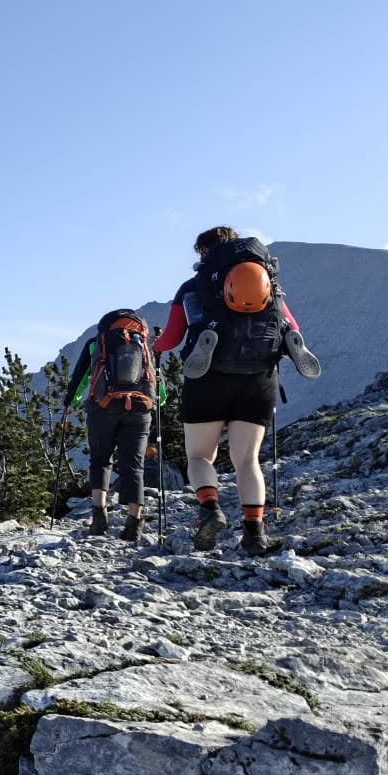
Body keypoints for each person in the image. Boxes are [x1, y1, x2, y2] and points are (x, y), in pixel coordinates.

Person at [154, 226, 321, 555]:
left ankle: (210, 509)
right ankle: (255, 534)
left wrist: (156, 346)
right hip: (259, 380)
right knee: (247, 460)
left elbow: (172, 339)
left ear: (205, 253)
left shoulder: (193, 287)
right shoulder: (269, 286)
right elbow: (293, 328)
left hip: (208, 379)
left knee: (200, 455)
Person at [62, 309, 163, 542]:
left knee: (100, 460)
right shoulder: (145, 346)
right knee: (134, 465)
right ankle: (134, 522)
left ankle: (100, 516)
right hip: (139, 410)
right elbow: (157, 385)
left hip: (103, 408)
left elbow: (80, 378)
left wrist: (70, 401)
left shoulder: (96, 344)